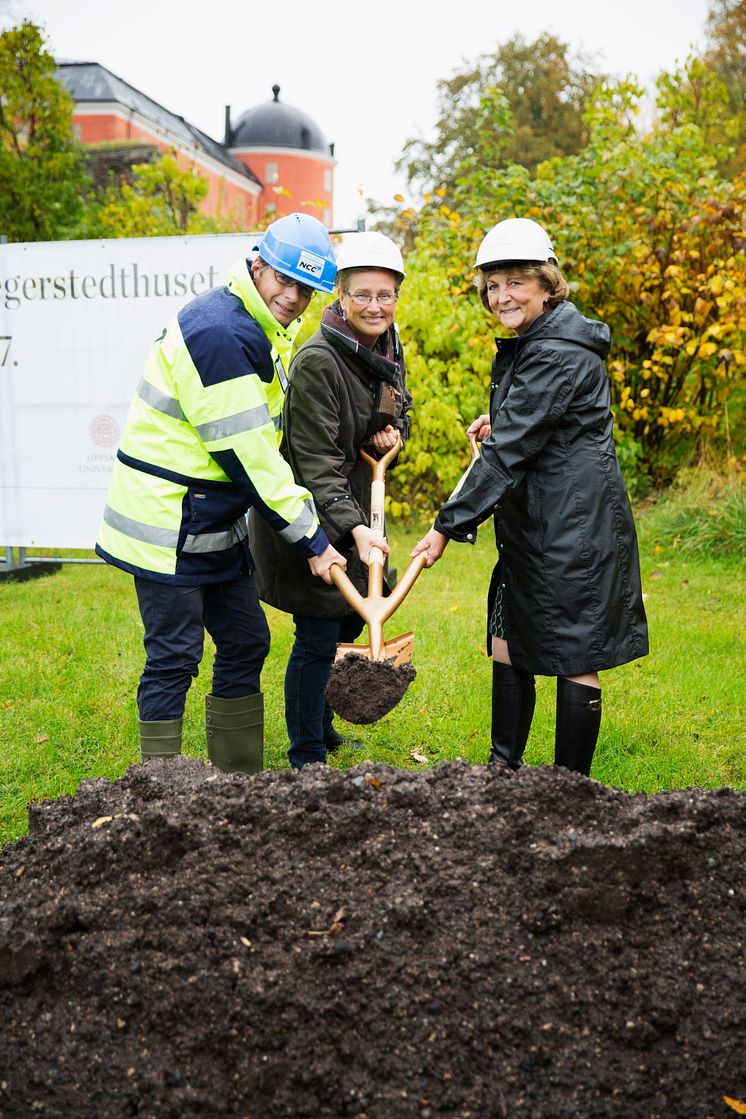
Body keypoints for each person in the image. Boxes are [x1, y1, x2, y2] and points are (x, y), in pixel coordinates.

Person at [96, 213, 347, 775]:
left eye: (306, 289)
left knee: (245, 639)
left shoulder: (258, 326)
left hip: (212, 521)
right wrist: (313, 540)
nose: (293, 296)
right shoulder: (220, 333)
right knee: (174, 657)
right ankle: (158, 790)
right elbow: (250, 455)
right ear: (257, 265)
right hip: (166, 523)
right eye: (283, 279)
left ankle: (236, 785)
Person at [412, 217, 648, 776]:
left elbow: (510, 453)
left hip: (573, 525)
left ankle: (569, 786)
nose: (501, 297)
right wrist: (504, 422)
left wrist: (446, 527)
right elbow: (536, 428)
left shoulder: (556, 351)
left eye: (515, 282)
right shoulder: (539, 340)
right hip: (538, 519)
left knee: (575, 650)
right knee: (508, 635)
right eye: (492, 286)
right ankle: (503, 769)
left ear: (547, 283)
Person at [249, 231, 413, 769]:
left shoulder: (388, 349)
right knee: (319, 633)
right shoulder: (319, 360)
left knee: (346, 623)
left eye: (384, 295)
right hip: (313, 517)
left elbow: (395, 411)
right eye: (362, 295)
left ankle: (322, 728)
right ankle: (307, 754)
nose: (374, 306)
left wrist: (393, 433)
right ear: (339, 296)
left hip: (358, 508)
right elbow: (314, 462)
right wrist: (352, 528)